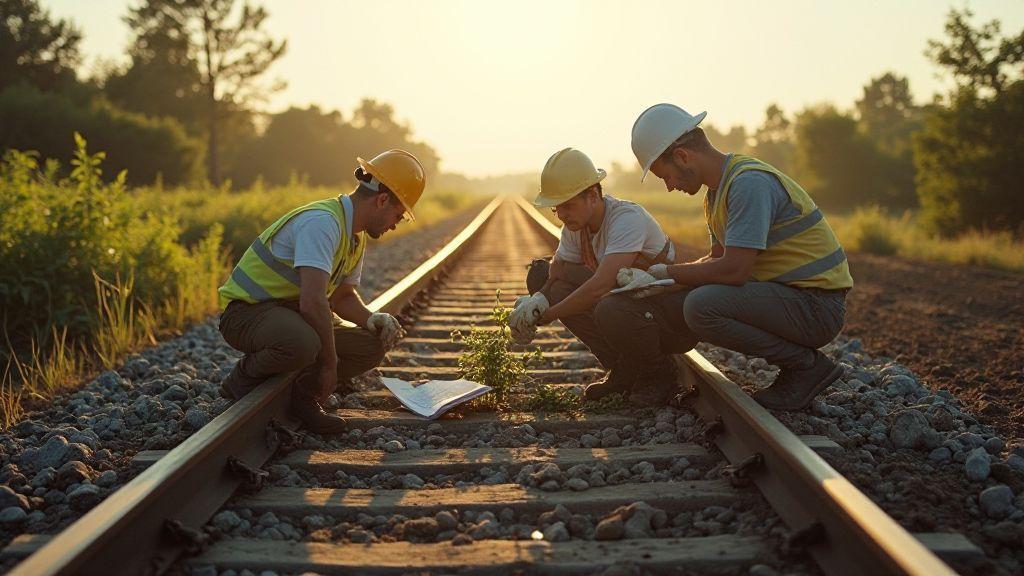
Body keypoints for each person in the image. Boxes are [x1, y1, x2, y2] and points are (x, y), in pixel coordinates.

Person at [626, 103, 854, 410]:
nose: (669, 187)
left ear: (682, 156)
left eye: (665, 176)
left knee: (701, 306)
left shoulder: (748, 184)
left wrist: (668, 273)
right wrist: (661, 282)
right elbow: (715, 261)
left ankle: (806, 367)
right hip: (793, 297)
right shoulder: (717, 192)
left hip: (816, 307)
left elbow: (734, 271)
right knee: (688, 299)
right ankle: (800, 366)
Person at [216, 149, 426, 433]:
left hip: (290, 316)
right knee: (304, 343)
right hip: (247, 313)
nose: (394, 224)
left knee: (370, 346)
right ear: (382, 200)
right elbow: (313, 302)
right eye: (398, 216)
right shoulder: (322, 223)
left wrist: (370, 319)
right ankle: (242, 378)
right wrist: (330, 363)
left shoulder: (354, 236)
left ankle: (302, 398)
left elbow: (341, 297)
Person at [509, 148, 697, 406]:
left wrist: (550, 313)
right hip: (630, 307)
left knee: (609, 307)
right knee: (542, 276)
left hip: (667, 317)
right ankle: (623, 371)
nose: (562, 215)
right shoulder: (576, 226)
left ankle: (658, 373)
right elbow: (558, 270)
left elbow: (601, 286)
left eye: (568, 206)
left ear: (592, 196)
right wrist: (540, 297)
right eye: (557, 209)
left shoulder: (626, 219)